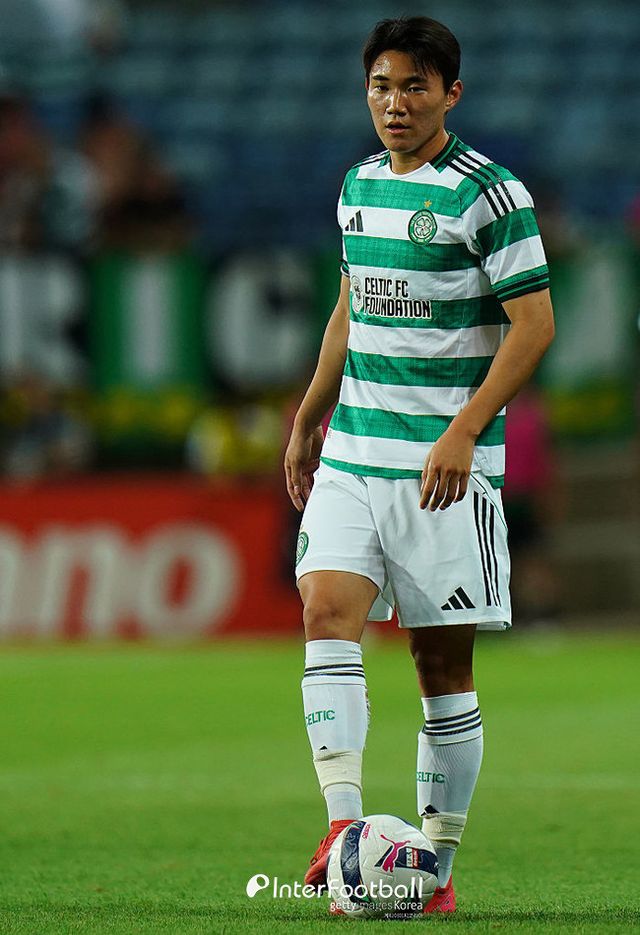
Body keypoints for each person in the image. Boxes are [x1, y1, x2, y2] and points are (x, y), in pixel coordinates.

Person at [283, 17, 554, 914]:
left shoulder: (491, 194)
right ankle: (344, 831)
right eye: (381, 86)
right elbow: (351, 302)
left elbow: (534, 325)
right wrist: (311, 412)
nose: (394, 103)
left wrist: (466, 430)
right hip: (356, 453)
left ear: (450, 94)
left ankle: (433, 866)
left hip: (444, 472)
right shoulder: (358, 184)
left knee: (440, 668)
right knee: (326, 611)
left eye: (413, 87)